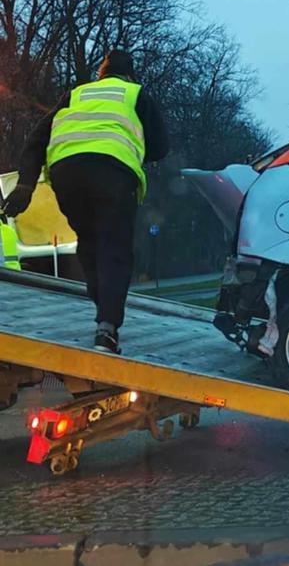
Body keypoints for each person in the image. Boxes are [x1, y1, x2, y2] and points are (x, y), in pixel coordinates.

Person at [1, 50, 169, 354]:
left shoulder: (76, 94)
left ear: (100, 75)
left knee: (90, 243)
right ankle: (107, 326)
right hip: (114, 174)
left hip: (68, 175)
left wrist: (25, 184)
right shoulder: (135, 94)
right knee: (114, 248)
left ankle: (103, 312)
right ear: (130, 75)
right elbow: (160, 148)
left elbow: (37, 139)